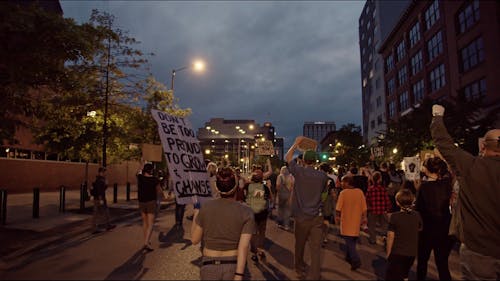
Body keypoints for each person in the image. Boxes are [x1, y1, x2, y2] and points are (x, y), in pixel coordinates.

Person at [430, 104, 500, 280]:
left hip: (479, 251)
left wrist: (437, 116)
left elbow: (443, 142)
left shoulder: (471, 166)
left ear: (483, 145)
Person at [190, 167, 255, 280]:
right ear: (236, 186)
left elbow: (194, 240)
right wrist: (239, 275)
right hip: (233, 265)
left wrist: (196, 213)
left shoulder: (205, 207)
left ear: (217, 187)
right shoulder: (246, 211)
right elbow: (243, 247)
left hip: (209, 265)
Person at [285, 136, 329, 280]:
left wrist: (295, 144)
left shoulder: (299, 172)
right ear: (316, 161)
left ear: (303, 160)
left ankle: (299, 268)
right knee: (316, 249)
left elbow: (287, 157)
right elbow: (323, 194)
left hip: (301, 217)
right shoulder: (323, 176)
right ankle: (315, 275)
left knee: (300, 244)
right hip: (317, 216)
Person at [415, 157, 454, 280]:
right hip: (444, 228)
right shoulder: (447, 184)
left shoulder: (424, 187)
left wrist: (417, 190)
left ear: (427, 169)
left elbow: (419, 209)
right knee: (442, 263)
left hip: (427, 229)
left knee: (422, 261)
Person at [385, 189, 422, 281]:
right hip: (411, 253)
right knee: (405, 274)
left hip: (398, 252)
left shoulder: (394, 216)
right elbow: (420, 228)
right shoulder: (417, 215)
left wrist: (388, 253)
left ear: (397, 203)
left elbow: (390, 236)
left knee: (392, 276)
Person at [335, 174, 367, 271]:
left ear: (348, 183)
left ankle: (355, 260)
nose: (341, 183)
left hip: (346, 221)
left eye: (343, 181)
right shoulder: (360, 192)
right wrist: (364, 218)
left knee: (349, 242)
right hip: (356, 221)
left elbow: (338, 208)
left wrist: (337, 217)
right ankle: (348, 257)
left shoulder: (343, 193)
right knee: (352, 240)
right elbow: (364, 208)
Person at [245, 169, 272, 263]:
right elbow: (270, 198)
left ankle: (254, 253)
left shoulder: (248, 186)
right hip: (262, 213)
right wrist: (268, 187)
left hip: (251, 213)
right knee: (262, 232)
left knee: (253, 234)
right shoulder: (264, 187)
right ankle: (260, 249)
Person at [137, 163, 164, 251]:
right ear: (151, 170)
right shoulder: (154, 180)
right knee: (151, 223)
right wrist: (163, 197)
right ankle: (146, 242)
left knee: (144, 222)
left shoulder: (140, 178)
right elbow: (159, 191)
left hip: (141, 202)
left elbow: (138, 171)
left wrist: (142, 166)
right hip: (151, 202)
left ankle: (146, 241)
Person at [365, 171, 391, 245]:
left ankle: (373, 240)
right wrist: (387, 209)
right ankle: (384, 237)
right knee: (384, 225)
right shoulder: (383, 189)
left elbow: (367, 200)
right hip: (382, 210)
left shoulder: (370, 189)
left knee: (372, 226)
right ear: (380, 179)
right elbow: (387, 200)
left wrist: (369, 208)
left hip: (373, 210)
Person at [91, 167, 115, 234]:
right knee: (96, 213)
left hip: (99, 198)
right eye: (104, 172)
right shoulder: (99, 180)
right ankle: (94, 228)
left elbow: (102, 189)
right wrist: (101, 199)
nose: (105, 173)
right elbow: (100, 190)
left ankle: (108, 225)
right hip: (99, 198)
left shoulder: (100, 179)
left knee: (105, 211)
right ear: (101, 172)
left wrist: (106, 184)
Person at [319, 163, 336, 246]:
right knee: (326, 219)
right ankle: (325, 237)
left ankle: (318, 236)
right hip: (328, 201)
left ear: (321, 169)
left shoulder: (317, 179)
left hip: (318, 200)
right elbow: (333, 193)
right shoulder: (330, 180)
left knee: (318, 219)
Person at [276, 166, 294, 231]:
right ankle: (287, 225)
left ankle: (280, 223)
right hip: (289, 195)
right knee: (288, 210)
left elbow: (277, 186)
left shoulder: (280, 176)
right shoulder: (291, 177)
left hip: (281, 195)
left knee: (280, 209)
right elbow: (293, 187)